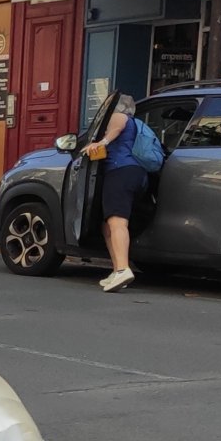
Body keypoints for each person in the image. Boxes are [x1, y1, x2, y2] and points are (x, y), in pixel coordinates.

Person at [82, 94, 145, 293]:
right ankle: (117, 270)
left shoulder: (120, 116)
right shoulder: (135, 123)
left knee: (117, 221)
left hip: (120, 171)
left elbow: (116, 129)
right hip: (132, 172)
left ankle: (123, 269)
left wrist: (102, 142)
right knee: (107, 225)